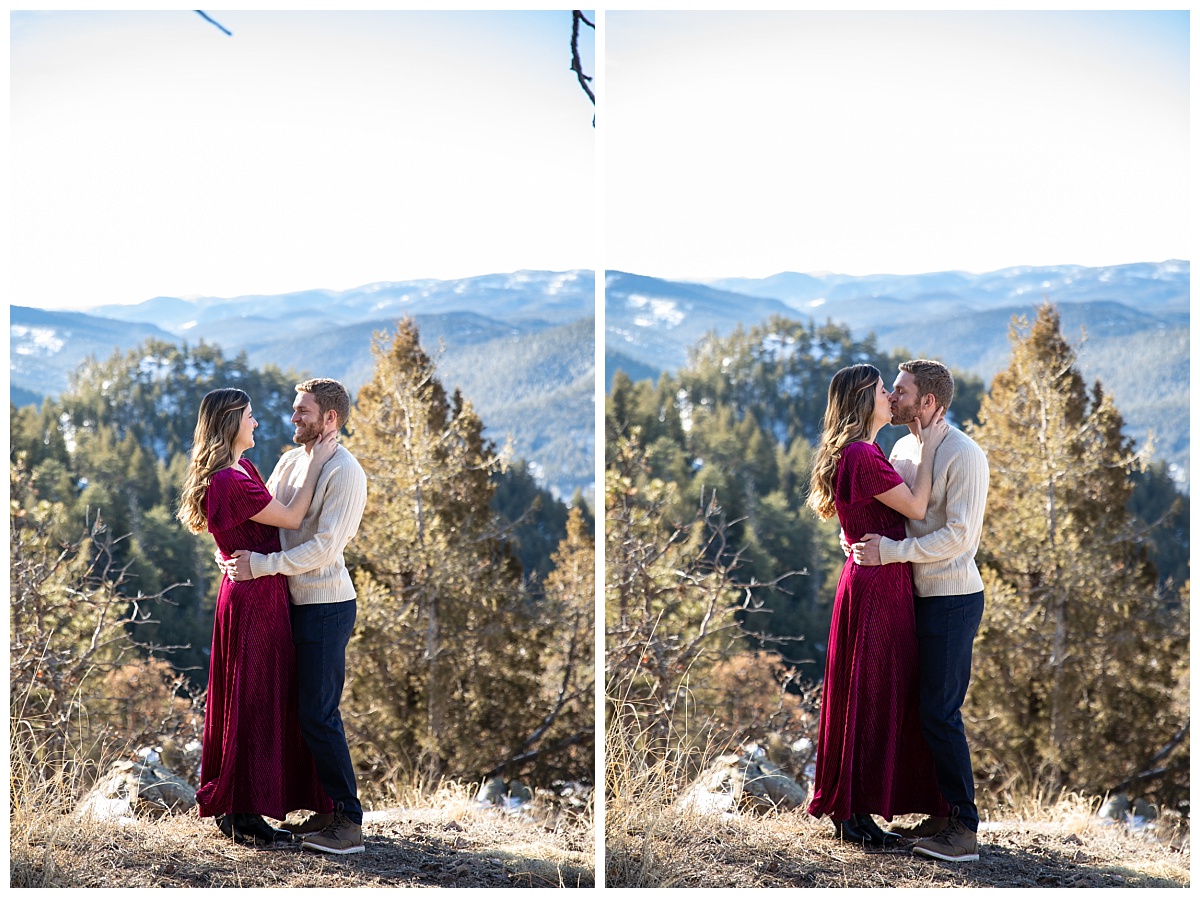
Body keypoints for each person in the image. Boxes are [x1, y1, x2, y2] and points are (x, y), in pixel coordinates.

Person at [177, 387, 338, 845]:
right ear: (231, 423)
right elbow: (289, 518)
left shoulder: (239, 469)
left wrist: (226, 552)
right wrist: (317, 462)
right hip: (255, 598)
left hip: (252, 590)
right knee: (255, 697)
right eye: (250, 416)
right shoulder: (229, 478)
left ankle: (241, 804)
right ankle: (243, 810)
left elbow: (238, 526)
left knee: (253, 694)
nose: (257, 423)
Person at [217, 378, 368, 856]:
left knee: (319, 715)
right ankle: (323, 810)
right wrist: (233, 555)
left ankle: (348, 823)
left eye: (304, 411)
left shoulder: (345, 472)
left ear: (331, 419)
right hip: (283, 605)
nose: (293, 418)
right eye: (294, 409)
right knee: (297, 713)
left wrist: (259, 566)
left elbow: (324, 548)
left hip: (325, 606)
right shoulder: (288, 460)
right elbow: (270, 520)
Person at [804, 364, 951, 847]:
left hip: (866, 579)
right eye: (883, 391)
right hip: (879, 585)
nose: (891, 396)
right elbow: (917, 507)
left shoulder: (855, 453)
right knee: (875, 693)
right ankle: (852, 811)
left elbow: (857, 518)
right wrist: (930, 448)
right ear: (865, 401)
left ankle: (855, 810)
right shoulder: (865, 455)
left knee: (864, 692)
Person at [851, 359, 989, 863]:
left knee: (940, 711)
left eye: (902, 391)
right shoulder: (904, 447)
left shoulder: (964, 454)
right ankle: (942, 810)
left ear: (927, 402)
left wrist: (889, 552)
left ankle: (964, 828)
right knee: (918, 710)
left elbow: (959, 538)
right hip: (909, 598)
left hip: (952, 599)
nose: (892, 397)